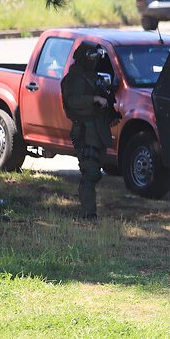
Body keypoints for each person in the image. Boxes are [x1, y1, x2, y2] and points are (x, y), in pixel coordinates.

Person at [61, 43, 114, 219]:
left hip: (98, 131)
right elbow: (74, 101)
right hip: (85, 131)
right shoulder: (75, 78)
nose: (95, 61)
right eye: (91, 57)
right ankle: (88, 213)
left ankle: (89, 210)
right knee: (89, 173)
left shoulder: (93, 77)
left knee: (95, 173)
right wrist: (94, 99)